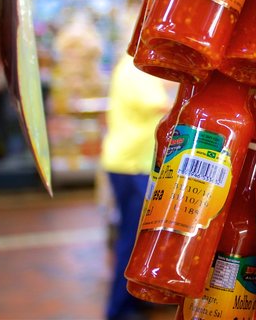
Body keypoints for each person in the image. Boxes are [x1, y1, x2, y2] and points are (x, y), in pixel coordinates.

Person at [101, 42, 174, 320]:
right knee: (131, 239)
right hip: (130, 165)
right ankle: (118, 309)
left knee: (138, 237)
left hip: (133, 163)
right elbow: (160, 105)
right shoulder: (135, 69)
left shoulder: (136, 68)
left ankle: (133, 300)